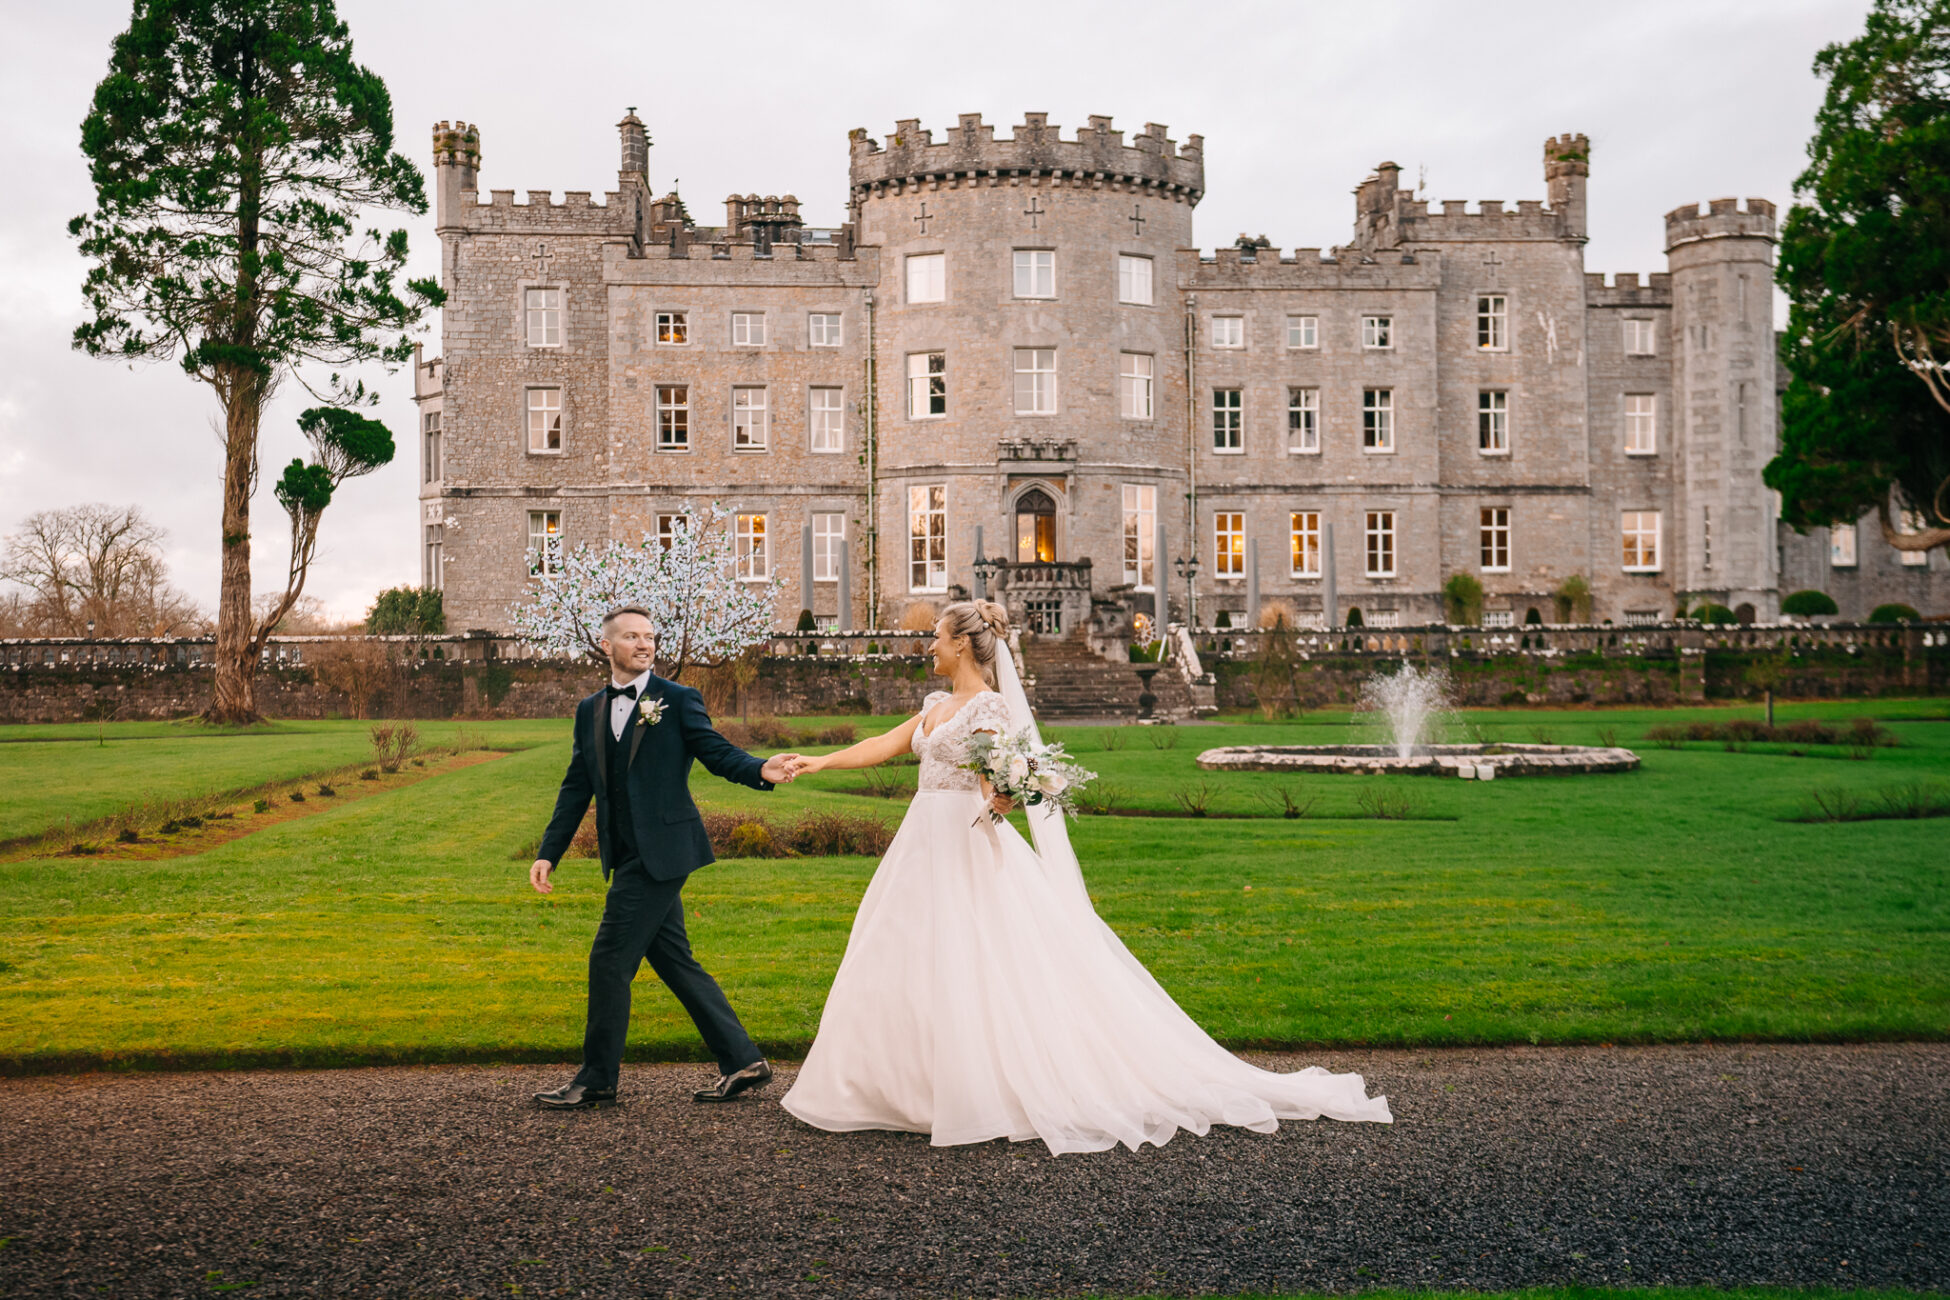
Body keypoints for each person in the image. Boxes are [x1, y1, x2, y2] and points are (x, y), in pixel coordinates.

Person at [780, 600, 1392, 1154]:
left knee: (974, 958)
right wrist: (817, 760)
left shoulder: (989, 706)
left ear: (963, 645)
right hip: (922, 841)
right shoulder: (935, 707)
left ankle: (972, 1087)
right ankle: (896, 1084)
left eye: (936, 638)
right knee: (903, 953)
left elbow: (997, 774)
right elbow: (885, 745)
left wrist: (1004, 797)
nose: (930, 647)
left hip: (964, 843)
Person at [528, 605, 801, 1110]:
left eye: (650, 637)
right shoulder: (589, 709)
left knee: (609, 960)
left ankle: (597, 1078)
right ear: (606, 645)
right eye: (632, 637)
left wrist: (761, 769)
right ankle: (742, 1059)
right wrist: (550, 852)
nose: (644, 644)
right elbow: (576, 787)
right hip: (627, 853)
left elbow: (716, 752)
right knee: (675, 961)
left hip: (665, 851)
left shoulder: (676, 699)